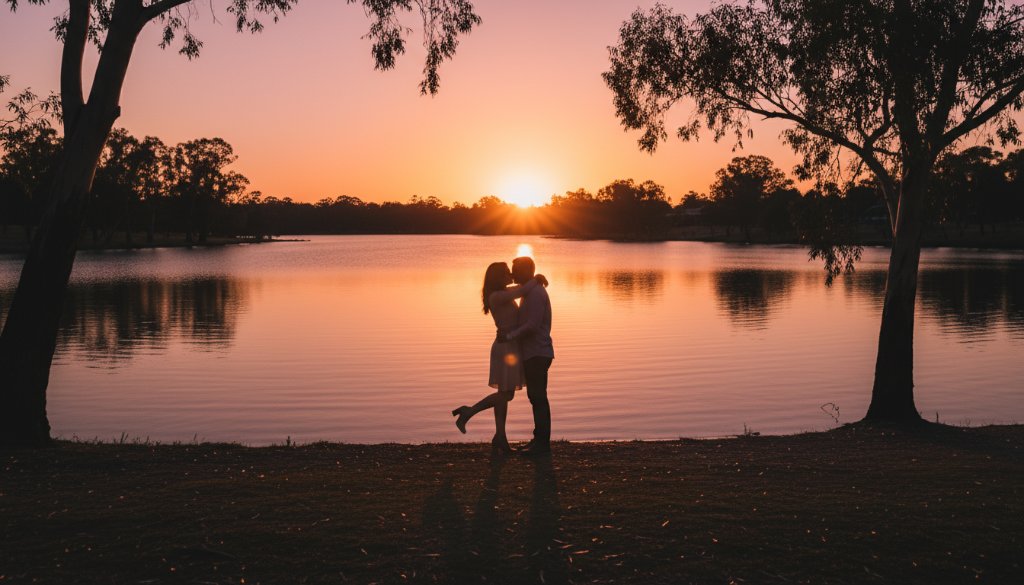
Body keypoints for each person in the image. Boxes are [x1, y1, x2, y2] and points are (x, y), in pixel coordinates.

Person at [452, 262, 547, 454]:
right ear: (497, 276)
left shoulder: (503, 292)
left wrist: (534, 282)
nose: (510, 274)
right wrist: (536, 279)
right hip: (505, 348)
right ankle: (468, 412)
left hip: (510, 346)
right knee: (506, 394)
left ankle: (500, 437)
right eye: (505, 272)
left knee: (504, 394)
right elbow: (521, 291)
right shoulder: (497, 296)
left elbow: (521, 288)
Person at [507, 256, 554, 457]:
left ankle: (542, 443)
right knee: (535, 397)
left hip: (538, 352)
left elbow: (533, 326)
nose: (512, 273)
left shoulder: (535, 293)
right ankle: (539, 441)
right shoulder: (530, 289)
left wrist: (510, 335)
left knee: (538, 397)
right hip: (534, 352)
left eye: (515, 269)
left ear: (527, 270)